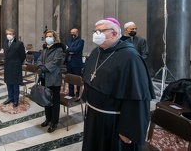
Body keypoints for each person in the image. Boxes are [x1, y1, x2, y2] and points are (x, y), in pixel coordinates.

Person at [82, 18, 155, 150]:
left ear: (114, 33)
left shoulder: (130, 57)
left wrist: (129, 129)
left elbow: (137, 97)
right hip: (93, 116)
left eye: (100, 31)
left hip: (113, 122)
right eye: (95, 31)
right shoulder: (96, 52)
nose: (96, 34)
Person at [36, 29, 65, 133]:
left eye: (50, 36)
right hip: (44, 77)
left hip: (54, 78)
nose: (48, 38)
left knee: (54, 101)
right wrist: (40, 66)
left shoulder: (59, 49)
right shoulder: (45, 48)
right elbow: (39, 59)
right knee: (46, 99)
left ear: (55, 37)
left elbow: (56, 61)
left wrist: (44, 68)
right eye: (47, 36)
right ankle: (48, 118)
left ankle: (54, 121)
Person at [2, 28, 26, 108]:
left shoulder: (19, 43)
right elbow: (5, 53)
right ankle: (10, 97)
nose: (8, 35)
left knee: (15, 84)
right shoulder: (5, 43)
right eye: (7, 34)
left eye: (10, 34)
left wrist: (18, 62)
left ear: (14, 35)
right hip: (8, 66)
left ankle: (16, 100)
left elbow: (22, 55)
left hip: (16, 66)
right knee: (9, 83)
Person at [65, 28, 84, 97]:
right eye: (71, 32)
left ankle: (78, 94)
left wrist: (69, 49)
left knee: (77, 80)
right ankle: (71, 93)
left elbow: (77, 49)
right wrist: (71, 50)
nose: (72, 34)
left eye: (74, 32)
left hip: (76, 63)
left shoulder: (80, 41)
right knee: (70, 79)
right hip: (69, 63)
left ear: (77, 33)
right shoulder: (68, 41)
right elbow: (66, 50)